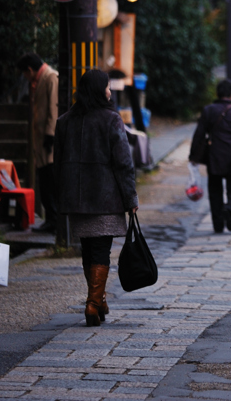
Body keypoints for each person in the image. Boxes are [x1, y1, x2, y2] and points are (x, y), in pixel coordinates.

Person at [54, 69, 139, 327]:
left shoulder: (64, 121)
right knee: (101, 249)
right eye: (107, 87)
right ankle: (92, 304)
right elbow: (124, 163)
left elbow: (57, 163)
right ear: (100, 90)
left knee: (89, 249)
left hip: (77, 199)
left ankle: (98, 299)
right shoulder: (111, 120)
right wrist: (131, 198)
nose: (110, 91)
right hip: (105, 197)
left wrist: (62, 196)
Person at [189, 80, 231, 233]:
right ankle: (230, 211)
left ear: (217, 94)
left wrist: (193, 156)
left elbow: (199, 134)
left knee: (215, 191)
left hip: (214, 155)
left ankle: (218, 224)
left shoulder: (208, 110)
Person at [17, 53, 59, 233]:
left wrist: (51, 134)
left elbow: (53, 107)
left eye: (25, 74)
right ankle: (51, 219)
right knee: (45, 180)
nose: (25, 77)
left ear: (30, 70)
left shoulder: (51, 77)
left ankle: (53, 220)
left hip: (48, 140)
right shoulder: (41, 78)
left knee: (49, 181)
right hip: (42, 139)